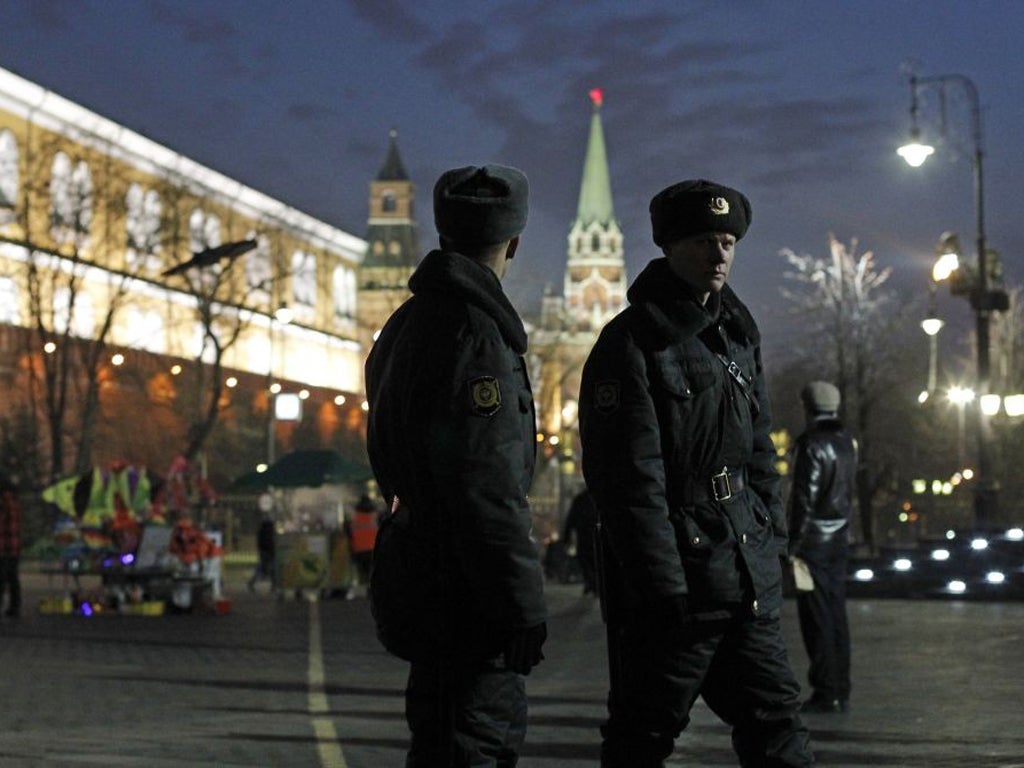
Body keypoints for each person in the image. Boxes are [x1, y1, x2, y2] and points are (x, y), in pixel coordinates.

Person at [579, 179, 814, 767]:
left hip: (742, 568)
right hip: (680, 584)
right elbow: (631, 481)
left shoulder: (736, 334)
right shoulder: (632, 343)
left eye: (729, 241)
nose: (720, 255)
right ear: (671, 247)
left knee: (778, 722)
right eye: (706, 241)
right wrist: (661, 585)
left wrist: (772, 541)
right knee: (645, 734)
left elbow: (759, 450)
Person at [366, 164, 548, 767]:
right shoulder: (479, 337)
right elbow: (487, 486)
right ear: (514, 243)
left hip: (420, 569)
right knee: (476, 743)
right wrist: (524, 604)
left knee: (438, 737)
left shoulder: (407, 323)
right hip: (468, 591)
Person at [787, 381, 857, 714]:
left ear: (808, 407)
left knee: (815, 620)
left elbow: (804, 500)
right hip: (838, 542)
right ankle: (840, 687)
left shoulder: (811, 445)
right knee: (836, 616)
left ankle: (825, 690)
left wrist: (792, 545)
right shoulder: (847, 444)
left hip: (813, 545)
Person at [563, 487, 598, 594]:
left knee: (585, 560)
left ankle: (591, 582)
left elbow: (571, 518)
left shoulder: (580, 499)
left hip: (584, 535)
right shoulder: (596, 498)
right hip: (594, 535)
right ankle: (593, 583)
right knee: (593, 560)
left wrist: (566, 537)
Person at [0, 470, 22, 619]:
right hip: (13, 545)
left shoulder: (3, 500)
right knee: (12, 577)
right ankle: (15, 607)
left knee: (2, 578)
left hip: (3, 545)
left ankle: (12, 607)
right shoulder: (13, 499)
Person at [347, 494, 379, 589]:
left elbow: (350, 536)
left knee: (362, 574)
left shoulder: (354, 520)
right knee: (373, 573)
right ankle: (373, 591)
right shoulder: (375, 518)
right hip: (373, 550)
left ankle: (365, 590)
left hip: (359, 551)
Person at [248, 512, 277, 593]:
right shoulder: (270, 529)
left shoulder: (262, 529)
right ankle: (273, 586)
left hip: (264, 551)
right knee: (272, 569)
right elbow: (271, 541)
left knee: (262, 568)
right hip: (270, 551)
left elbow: (260, 542)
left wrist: (261, 550)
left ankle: (252, 582)